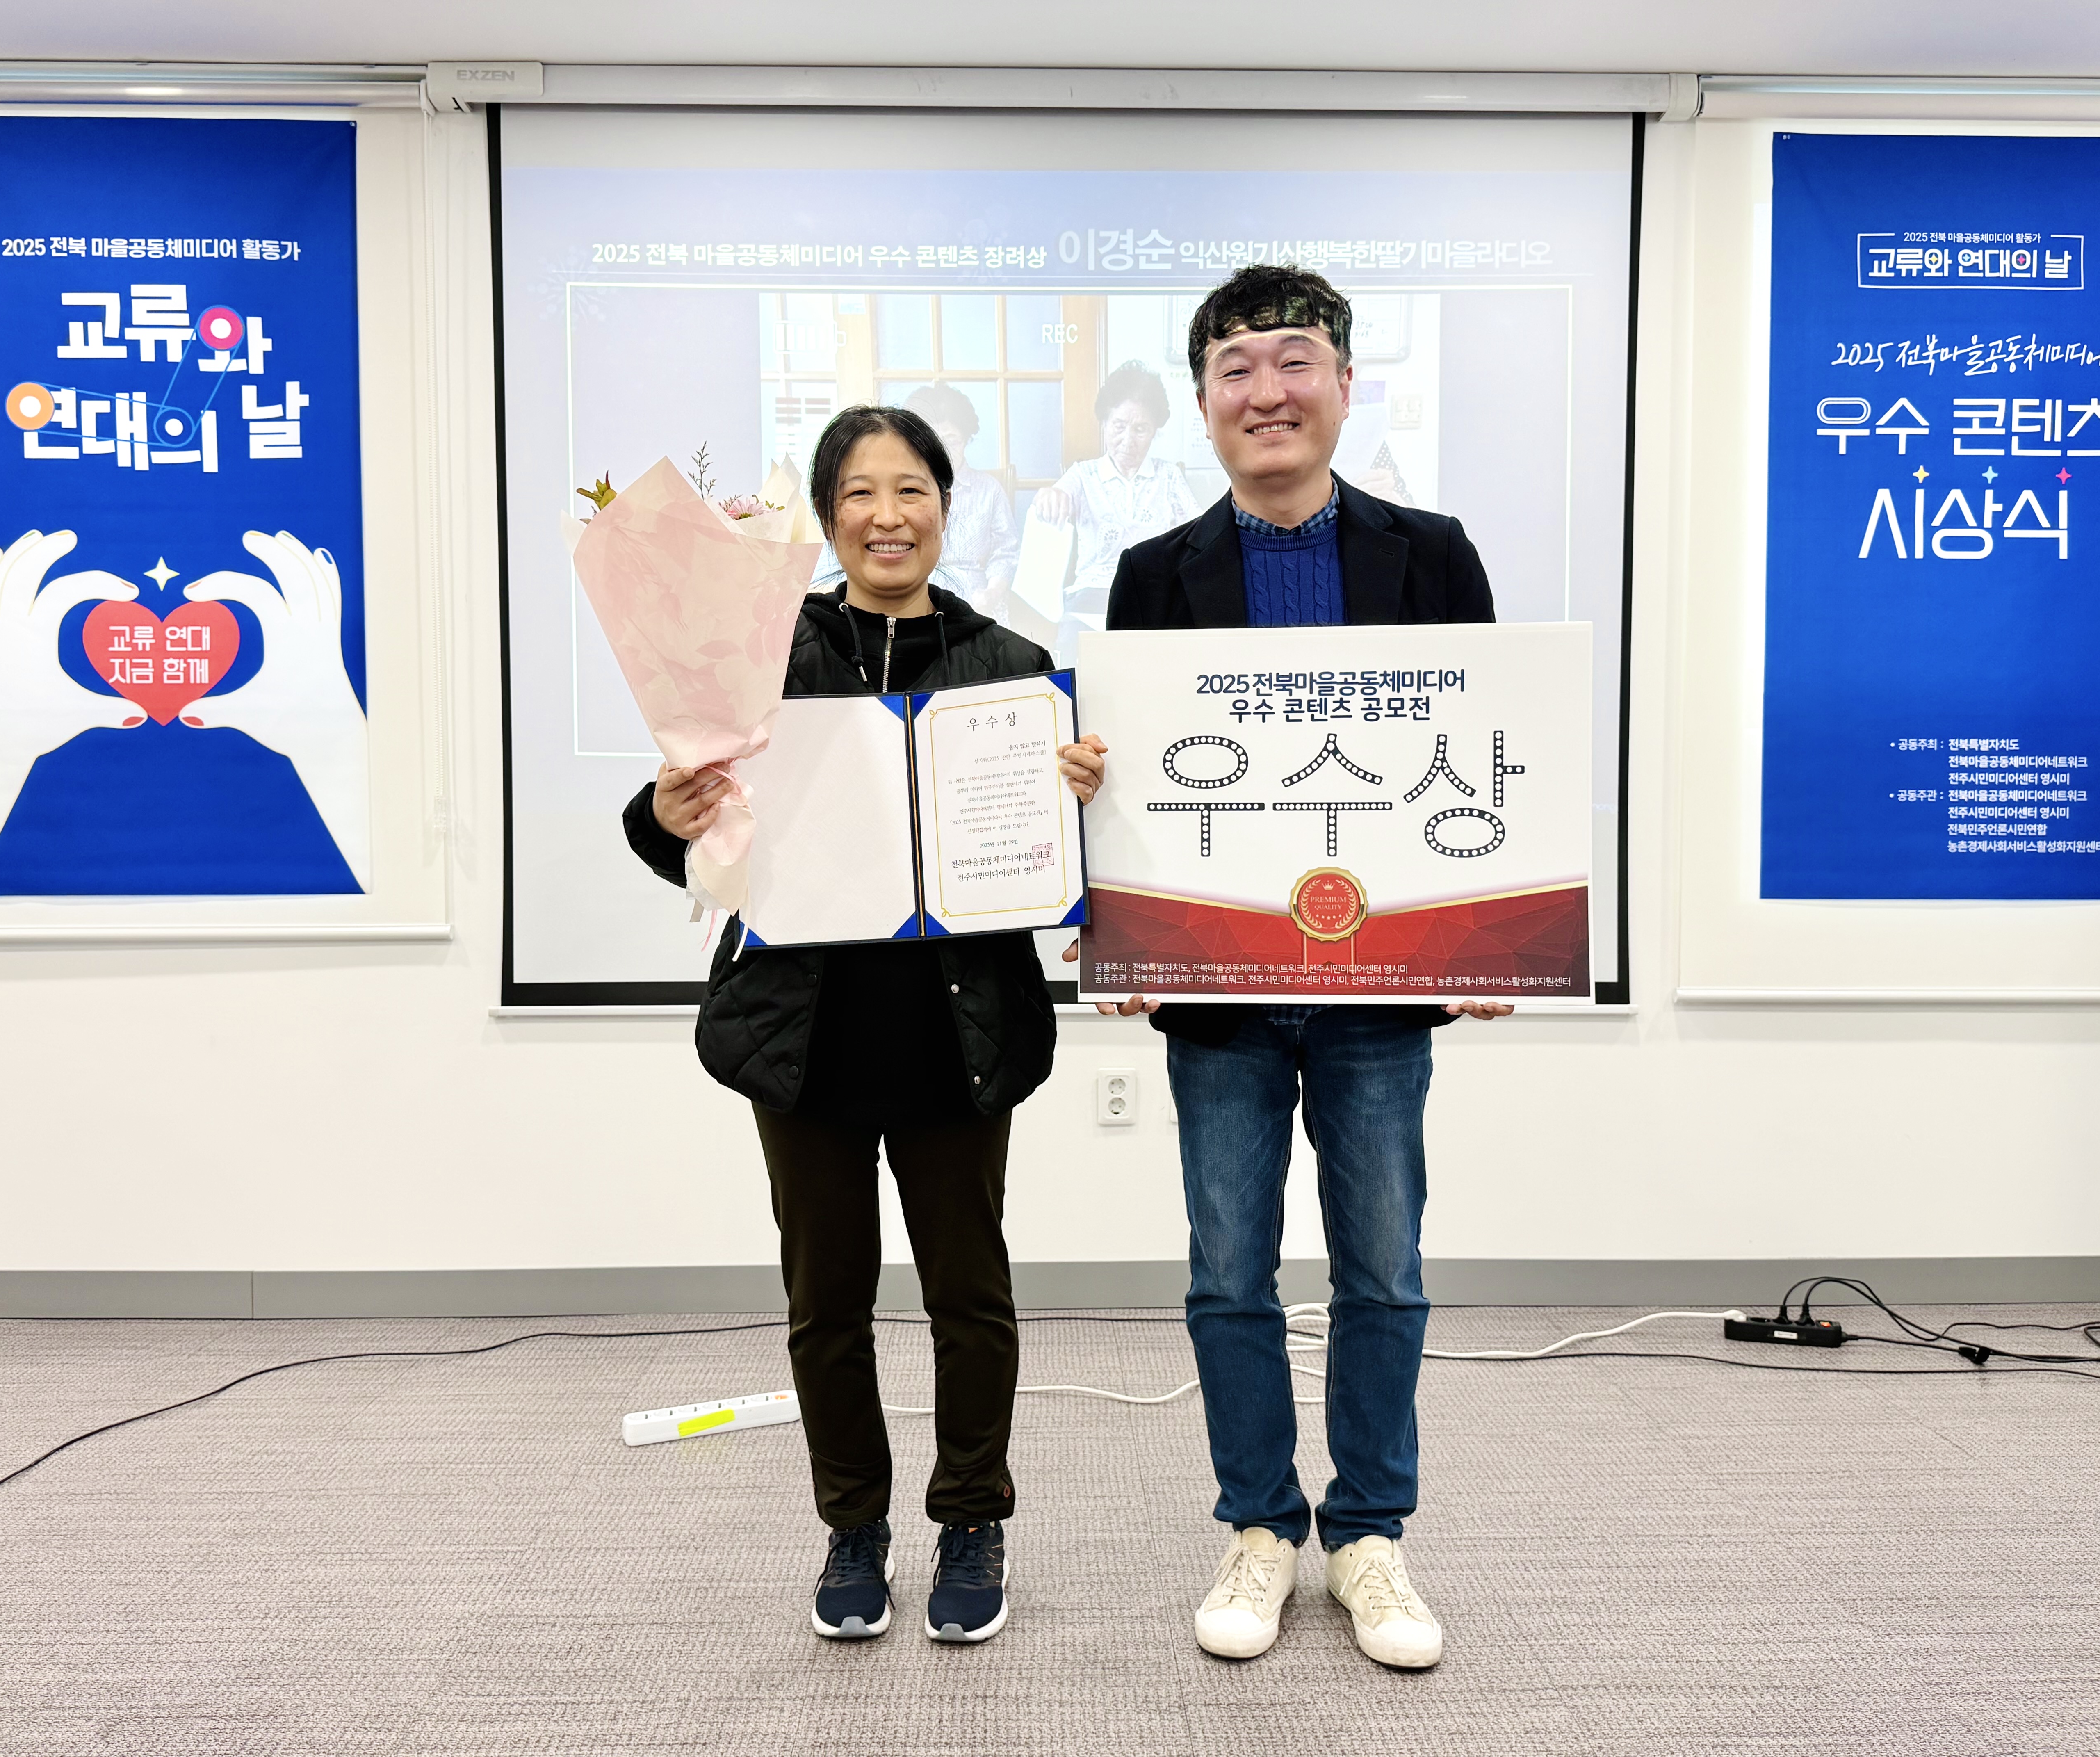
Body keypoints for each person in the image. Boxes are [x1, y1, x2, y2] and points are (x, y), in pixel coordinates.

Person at [624, 405, 1108, 1647]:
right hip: (805, 1037)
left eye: (911, 491)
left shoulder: (1011, 666)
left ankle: (972, 1519)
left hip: (960, 1037)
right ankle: (852, 1525)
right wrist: (672, 811)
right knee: (825, 1303)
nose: (887, 516)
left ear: (947, 506)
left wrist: (1078, 802)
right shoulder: (759, 655)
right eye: (858, 493)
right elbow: (672, 827)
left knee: (969, 1296)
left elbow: (1059, 856)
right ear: (829, 517)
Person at [1100, 266, 1512, 1670]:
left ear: (1344, 383)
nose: (1266, 391)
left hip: (1378, 990)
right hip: (1218, 993)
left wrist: (1490, 928)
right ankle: (1262, 1526)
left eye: (1294, 361)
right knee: (1229, 1271)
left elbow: (1486, 746)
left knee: (1383, 1270)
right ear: (1203, 400)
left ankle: (1371, 1534)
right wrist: (1115, 910)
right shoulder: (1153, 574)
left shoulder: (1432, 554)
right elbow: (1139, 779)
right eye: (1235, 367)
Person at [1031, 360, 1201, 661]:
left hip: (1154, 596)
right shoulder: (1083, 475)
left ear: (1155, 430)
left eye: (1141, 429)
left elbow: (1199, 531)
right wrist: (1049, 497)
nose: (1128, 441)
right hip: (1091, 598)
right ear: (1105, 423)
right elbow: (1056, 496)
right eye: (1119, 427)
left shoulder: (1169, 477)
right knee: (1076, 668)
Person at [903, 382, 1018, 614]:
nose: (943, 452)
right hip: (913, 593)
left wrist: (991, 594)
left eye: (952, 441)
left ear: (967, 439)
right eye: (933, 443)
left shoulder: (989, 489)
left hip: (976, 600)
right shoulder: (903, 489)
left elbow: (1006, 552)